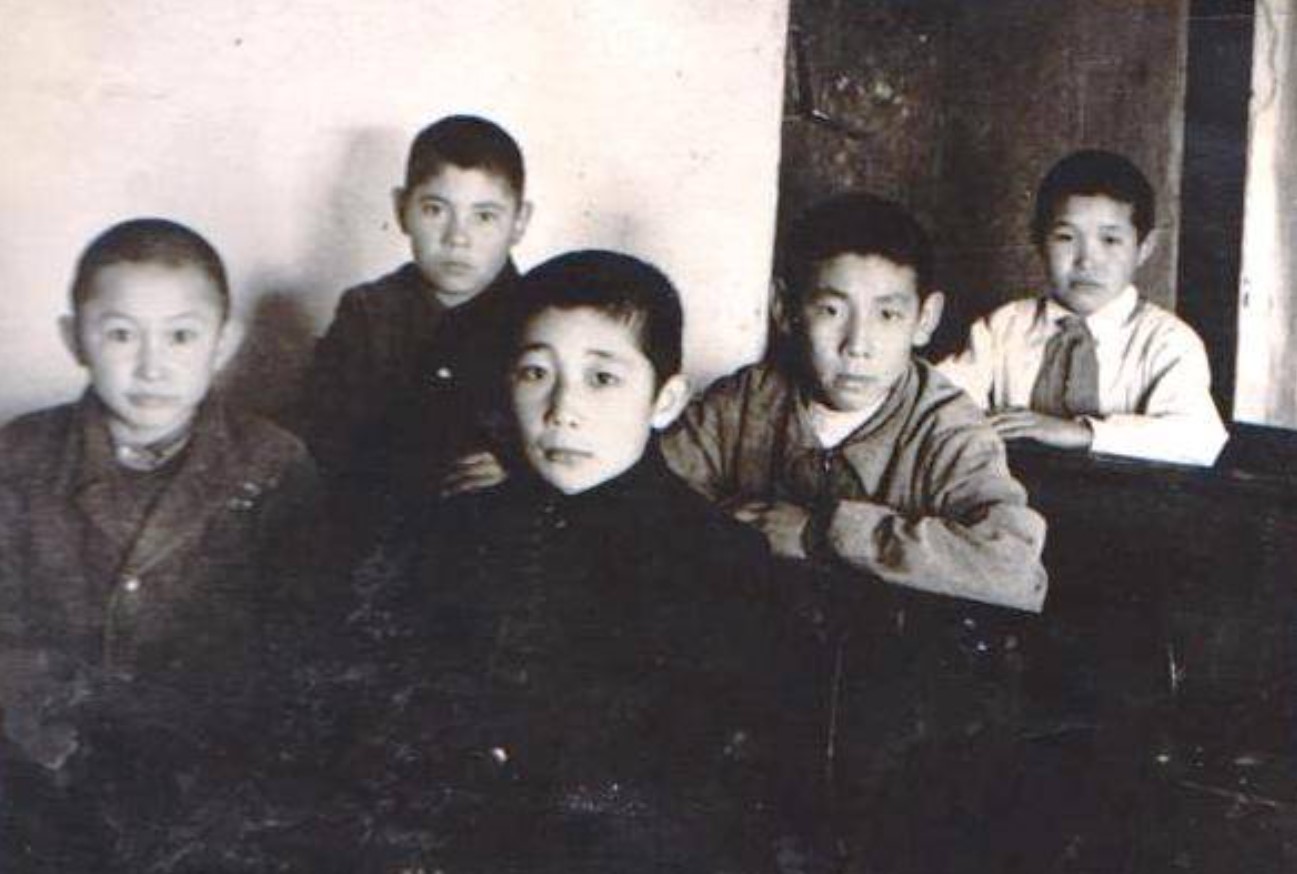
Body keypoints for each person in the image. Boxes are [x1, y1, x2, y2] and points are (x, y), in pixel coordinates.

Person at [337, 250, 781, 873]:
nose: (561, 409)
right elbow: (378, 742)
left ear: (665, 399)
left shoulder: (723, 564)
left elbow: (716, 802)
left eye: (602, 378)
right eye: (535, 373)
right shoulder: (447, 537)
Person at [661, 193, 1048, 872]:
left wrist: (824, 534)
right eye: (831, 309)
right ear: (786, 308)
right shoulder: (744, 401)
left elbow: (1015, 570)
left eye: (888, 314)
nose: (857, 344)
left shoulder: (948, 429)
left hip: (894, 730)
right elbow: (649, 504)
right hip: (751, 708)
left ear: (925, 318)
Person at [0, 218, 320, 871]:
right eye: (121, 334)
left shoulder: (273, 465)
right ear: (74, 338)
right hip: (44, 779)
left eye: (181, 335)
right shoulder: (19, 457)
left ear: (223, 342)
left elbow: (302, 645)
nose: (152, 366)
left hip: (212, 787)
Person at [301, 114, 534, 546]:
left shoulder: (540, 319)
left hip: (496, 539)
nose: (457, 238)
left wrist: (521, 469)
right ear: (401, 209)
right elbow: (323, 440)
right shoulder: (368, 313)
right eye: (435, 210)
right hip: (377, 531)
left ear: (520, 221)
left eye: (484, 216)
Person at [937, 149, 1229, 466]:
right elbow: (940, 402)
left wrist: (1084, 433)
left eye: (1110, 240)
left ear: (1144, 248)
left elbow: (1199, 438)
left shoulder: (1167, 341)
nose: (1086, 261)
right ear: (1038, 241)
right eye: (1066, 237)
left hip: (1126, 496)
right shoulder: (1003, 327)